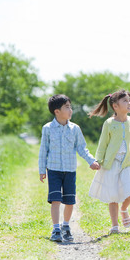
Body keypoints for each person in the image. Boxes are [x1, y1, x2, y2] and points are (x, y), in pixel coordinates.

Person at [88, 89, 130, 234]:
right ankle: (114, 226)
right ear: (115, 106)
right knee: (113, 196)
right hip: (111, 163)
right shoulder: (109, 123)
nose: (129, 103)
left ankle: (124, 209)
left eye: (129, 100)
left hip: (127, 163)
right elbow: (102, 144)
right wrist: (97, 161)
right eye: (125, 100)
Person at [39, 94, 100, 242]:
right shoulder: (48, 128)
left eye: (70, 107)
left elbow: (82, 148)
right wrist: (42, 170)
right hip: (53, 169)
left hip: (70, 170)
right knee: (55, 199)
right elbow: (43, 150)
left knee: (70, 201)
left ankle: (66, 225)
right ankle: (56, 229)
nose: (70, 110)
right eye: (67, 107)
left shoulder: (75, 129)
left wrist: (91, 161)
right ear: (57, 111)